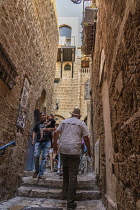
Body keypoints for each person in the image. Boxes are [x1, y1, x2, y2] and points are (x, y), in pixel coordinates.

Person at [53, 108, 91, 210]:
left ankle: (64, 193)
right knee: (73, 175)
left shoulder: (64, 122)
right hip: (74, 150)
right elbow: (86, 138)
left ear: (72, 115)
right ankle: (70, 203)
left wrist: (55, 146)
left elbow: (56, 133)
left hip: (63, 149)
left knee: (65, 170)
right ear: (78, 116)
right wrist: (89, 150)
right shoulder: (81, 123)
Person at [32, 112, 55, 179]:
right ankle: (37, 170)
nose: (42, 116)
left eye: (44, 115)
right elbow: (34, 131)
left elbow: (55, 129)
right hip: (38, 141)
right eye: (41, 115)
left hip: (47, 141)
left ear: (46, 116)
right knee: (36, 155)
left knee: (44, 157)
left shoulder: (50, 123)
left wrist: (49, 129)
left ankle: (41, 173)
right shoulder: (38, 124)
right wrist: (33, 140)